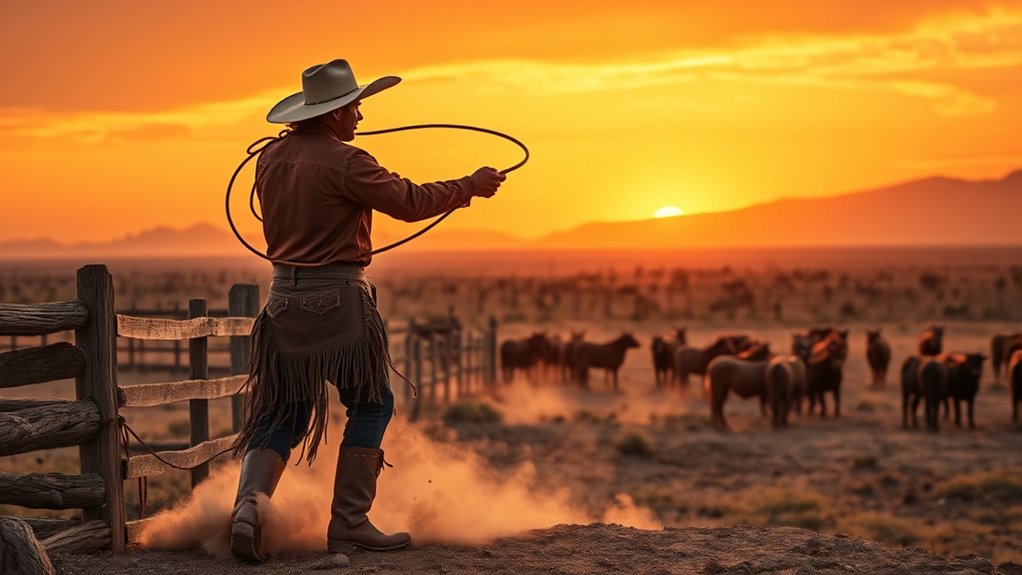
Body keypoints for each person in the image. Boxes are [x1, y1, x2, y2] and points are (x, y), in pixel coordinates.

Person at [228, 59, 505, 562]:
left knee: (283, 409)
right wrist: (468, 186)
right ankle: (350, 523)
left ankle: (248, 510)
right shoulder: (347, 161)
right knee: (373, 402)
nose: (359, 113)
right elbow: (409, 201)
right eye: (354, 105)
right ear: (333, 113)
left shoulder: (268, 159)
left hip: (282, 302)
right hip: (339, 304)